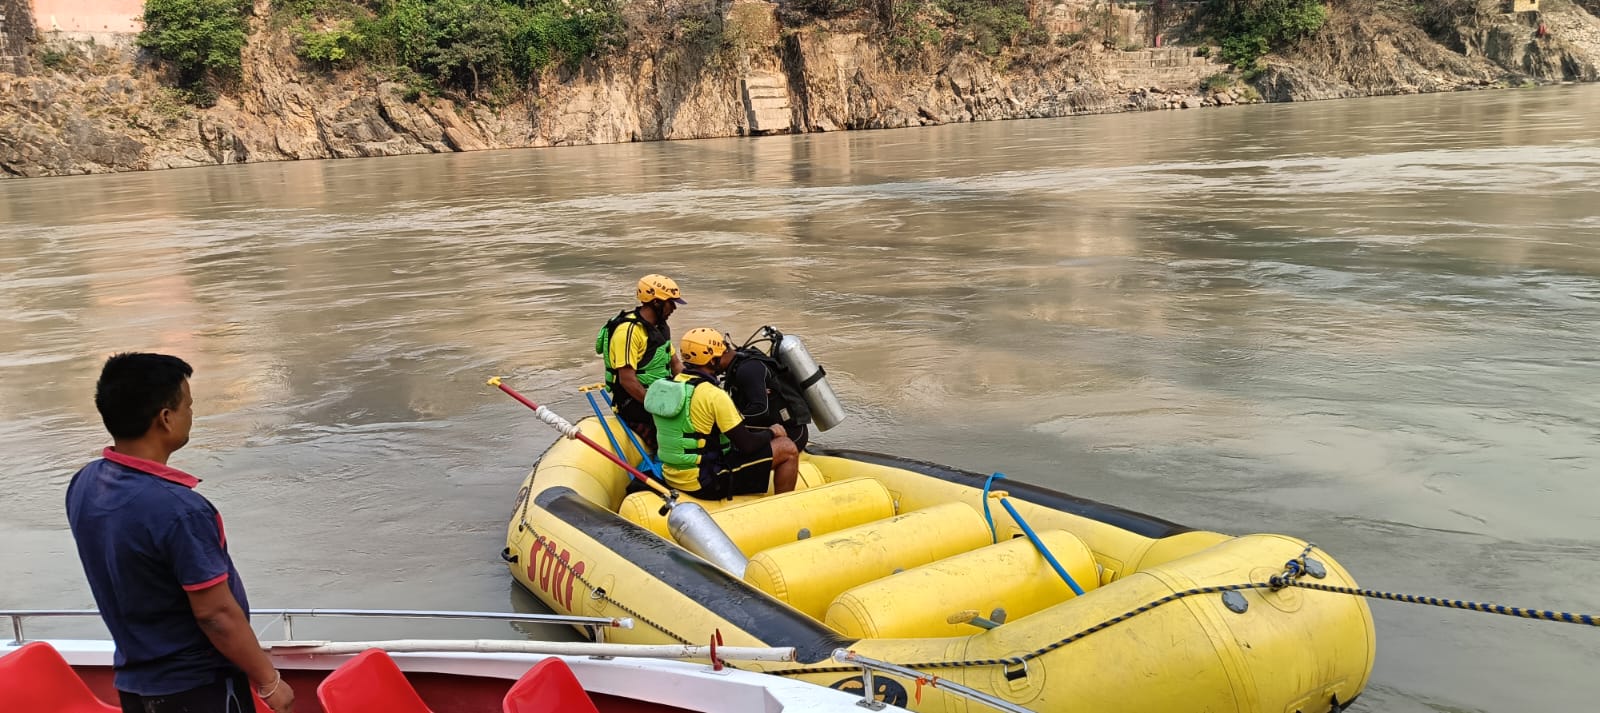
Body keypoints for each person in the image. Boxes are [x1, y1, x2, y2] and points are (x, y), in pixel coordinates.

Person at [65, 353, 294, 713]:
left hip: (136, 685)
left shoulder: (86, 482)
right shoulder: (179, 510)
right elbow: (215, 614)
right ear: (166, 418)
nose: (192, 414)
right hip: (197, 690)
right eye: (188, 405)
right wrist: (269, 681)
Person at [647, 328, 800, 499]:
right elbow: (747, 444)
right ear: (712, 360)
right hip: (706, 482)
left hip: (671, 476)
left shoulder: (669, 386)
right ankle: (784, 505)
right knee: (787, 448)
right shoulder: (713, 394)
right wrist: (772, 432)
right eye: (719, 355)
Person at [596, 274, 685, 450]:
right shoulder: (628, 331)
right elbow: (627, 380)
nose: (674, 307)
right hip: (634, 402)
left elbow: (675, 364)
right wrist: (657, 408)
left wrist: (694, 388)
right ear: (656, 302)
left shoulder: (660, 328)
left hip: (661, 393)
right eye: (671, 302)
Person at [723, 338, 812, 453]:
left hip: (791, 435)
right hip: (767, 429)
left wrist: (723, 422)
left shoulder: (748, 369)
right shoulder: (739, 362)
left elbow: (760, 410)